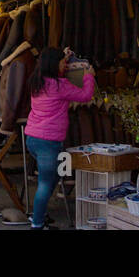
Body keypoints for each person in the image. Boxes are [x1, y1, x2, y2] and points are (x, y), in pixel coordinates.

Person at [23, 47, 95, 230]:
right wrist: (89, 75)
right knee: (46, 184)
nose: (65, 65)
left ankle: (40, 215)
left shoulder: (37, 81)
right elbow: (86, 95)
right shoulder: (60, 86)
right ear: (54, 64)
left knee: (53, 176)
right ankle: (37, 224)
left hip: (33, 138)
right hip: (49, 142)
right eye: (62, 62)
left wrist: (67, 57)